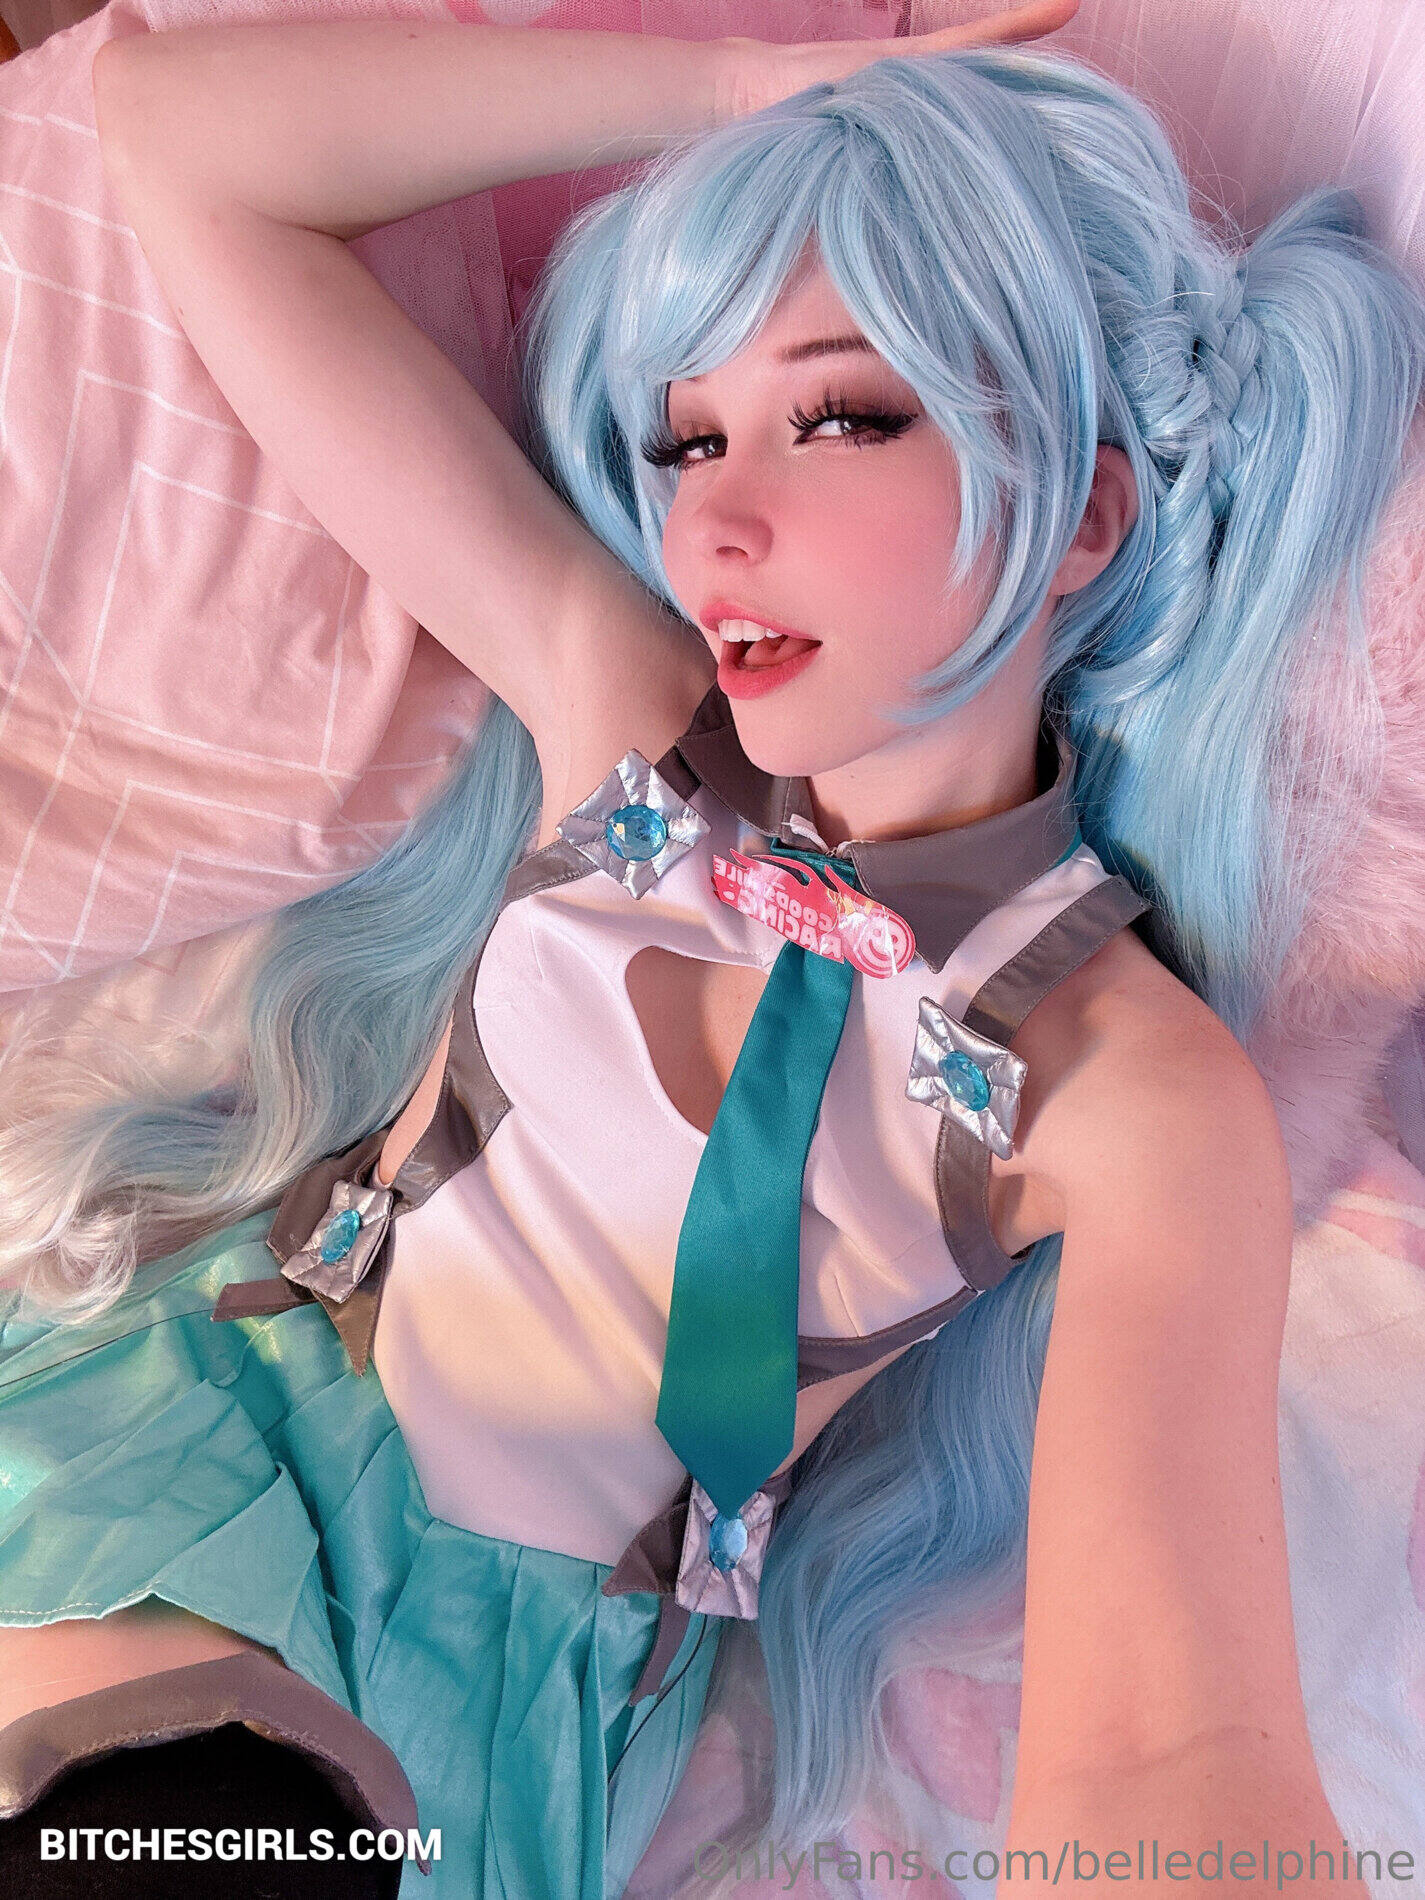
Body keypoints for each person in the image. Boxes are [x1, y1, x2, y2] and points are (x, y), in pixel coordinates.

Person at [1, 5, 1422, 1894]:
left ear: (1081, 513)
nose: (717, 524)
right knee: (157, 1799)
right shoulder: (626, 716)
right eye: (685, 437)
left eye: (840, 417)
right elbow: (179, 138)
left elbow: (1172, 1746)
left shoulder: (1130, 1084)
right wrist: (741, 92)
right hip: (185, 1434)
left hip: (484, 1672)